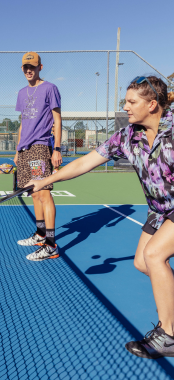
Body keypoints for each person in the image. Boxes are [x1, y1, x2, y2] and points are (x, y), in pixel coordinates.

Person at [26, 75, 174, 359]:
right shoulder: (128, 135)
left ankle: (168, 335)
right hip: (159, 209)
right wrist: (47, 180)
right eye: (126, 101)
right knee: (143, 262)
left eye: (132, 102)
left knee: (155, 255)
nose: (126, 107)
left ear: (152, 104)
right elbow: (86, 162)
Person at [14, 52, 62, 261]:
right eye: (25, 67)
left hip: (40, 147)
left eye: (32, 66)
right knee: (34, 193)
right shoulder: (21, 92)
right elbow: (23, 122)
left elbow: (57, 120)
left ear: (40, 67)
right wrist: (17, 151)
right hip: (25, 149)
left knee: (44, 193)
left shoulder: (50, 88)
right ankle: (40, 234)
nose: (28, 70)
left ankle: (51, 245)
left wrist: (57, 149)